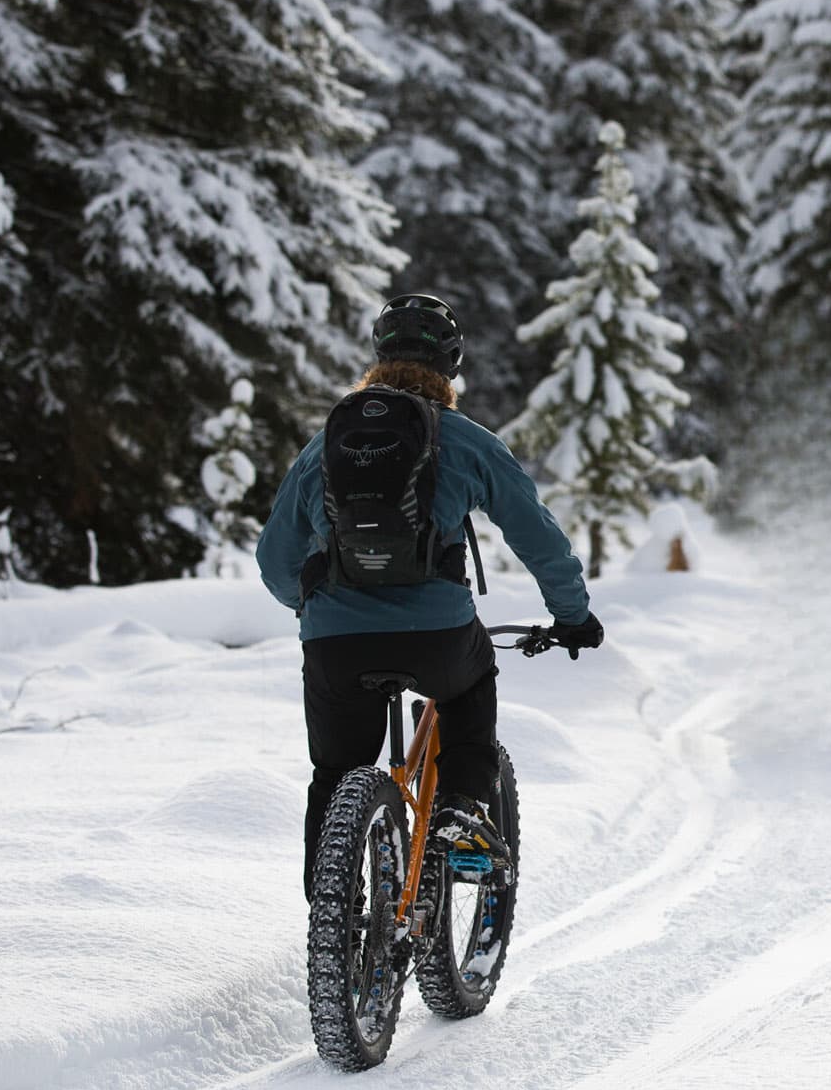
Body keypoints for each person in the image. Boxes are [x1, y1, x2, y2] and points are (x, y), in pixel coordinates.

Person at [257, 294, 604, 897]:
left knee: (335, 775)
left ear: (378, 358)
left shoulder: (325, 446)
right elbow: (538, 537)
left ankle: (333, 919)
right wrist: (572, 616)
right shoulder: (466, 441)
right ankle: (461, 808)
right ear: (451, 364)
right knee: (470, 681)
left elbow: (273, 559)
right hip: (437, 638)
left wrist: (310, 606)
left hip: (335, 642)